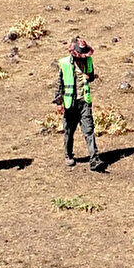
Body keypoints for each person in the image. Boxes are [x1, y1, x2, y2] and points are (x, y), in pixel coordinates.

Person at [53, 37, 103, 171]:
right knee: (69, 131)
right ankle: (68, 155)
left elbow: (91, 76)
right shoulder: (65, 64)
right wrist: (59, 102)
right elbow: (59, 84)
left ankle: (94, 158)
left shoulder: (89, 61)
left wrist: (89, 77)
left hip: (84, 101)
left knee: (89, 130)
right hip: (70, 104)